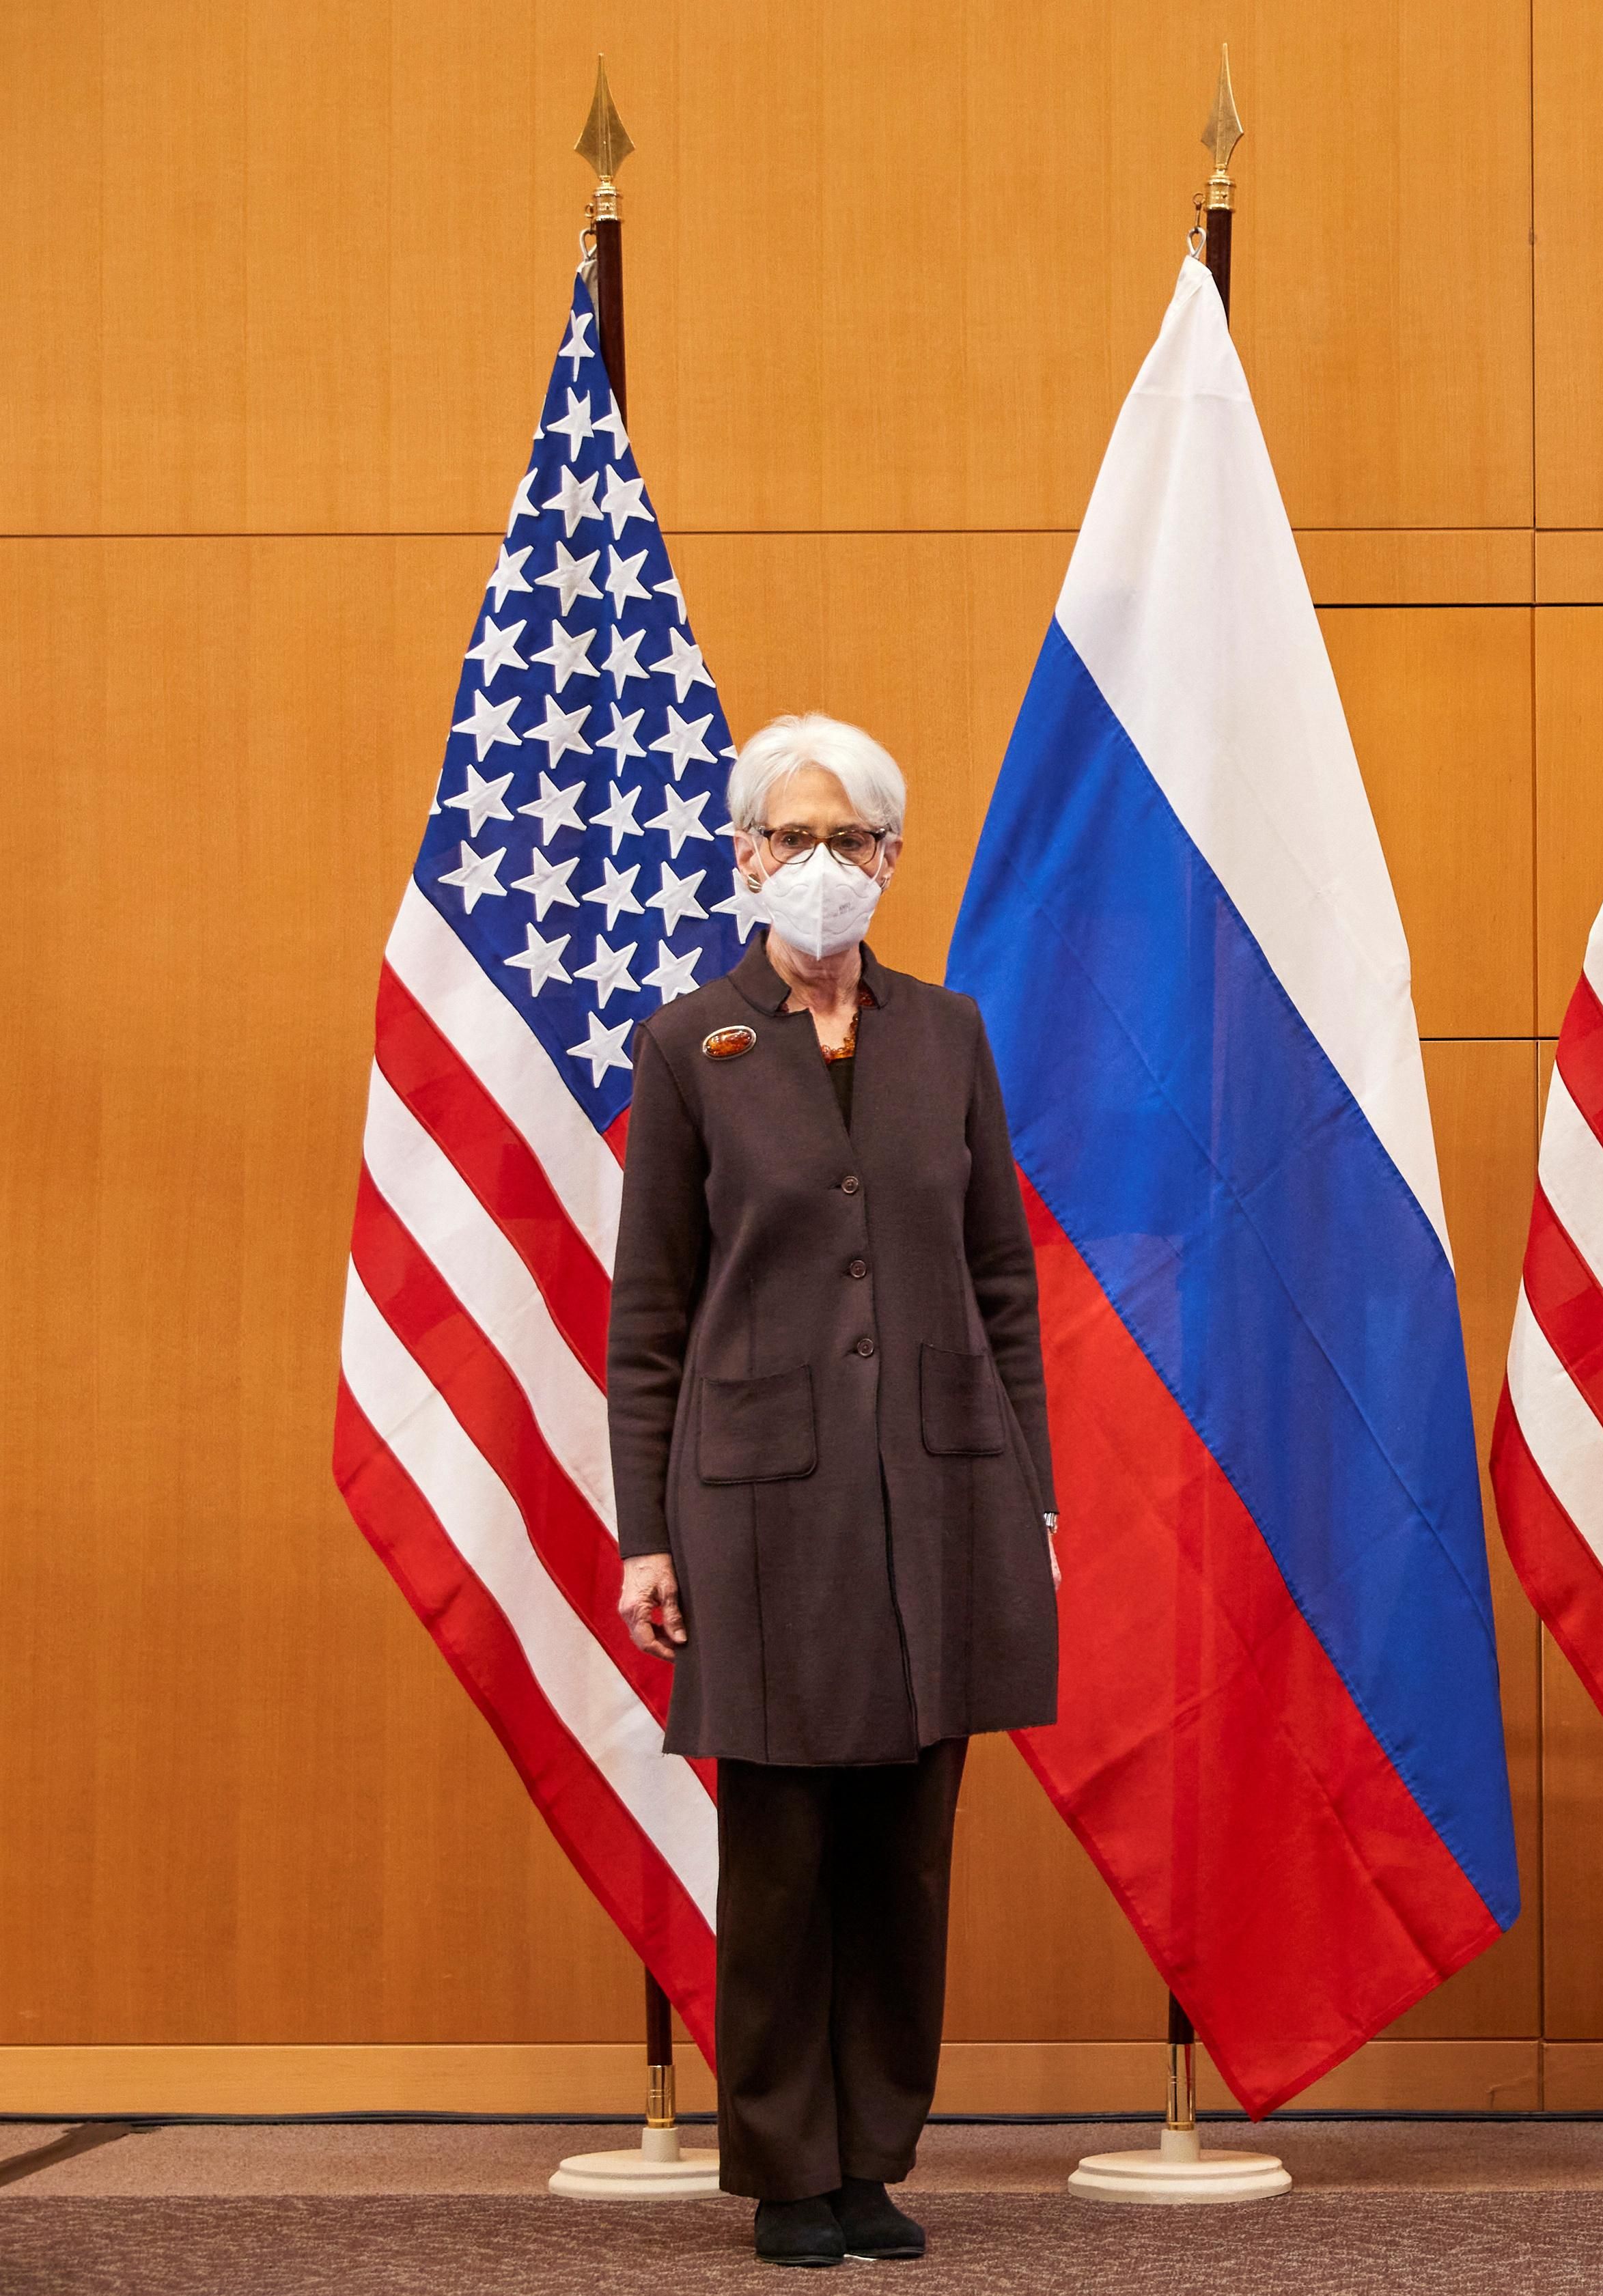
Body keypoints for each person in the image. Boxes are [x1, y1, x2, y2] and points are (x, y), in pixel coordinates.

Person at [607, 712, 1060, 2269]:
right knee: (786, 1851)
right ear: (743, 859)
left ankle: (876, 2157)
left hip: (940, 1496)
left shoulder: (949, 1034)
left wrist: (1034, 1495)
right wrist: (644, 1535)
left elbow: (1003, 1275)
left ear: (889, 860)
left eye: (847, 840)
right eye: (788, 838)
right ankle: (788, 2168)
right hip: (758, 1508)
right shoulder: (692, 1044)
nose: (818, 866)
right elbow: (650, 1313)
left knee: (907, 1852)